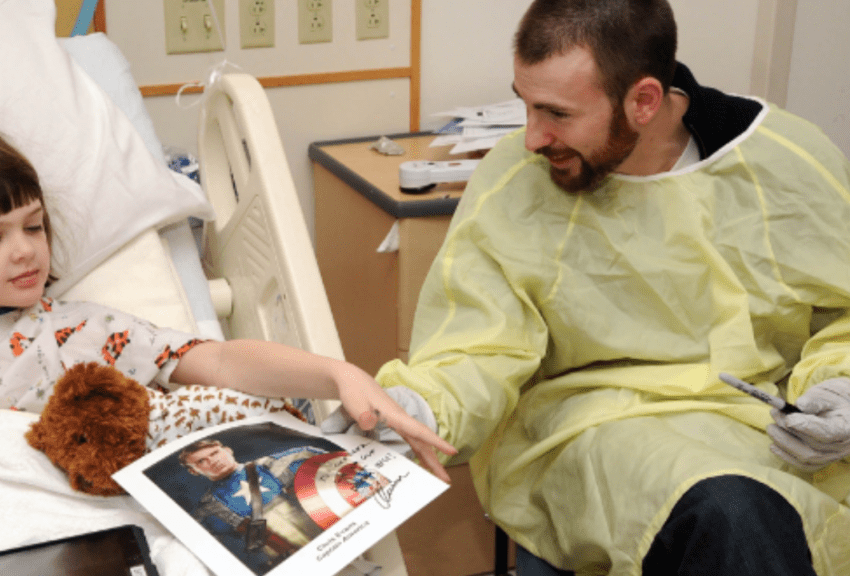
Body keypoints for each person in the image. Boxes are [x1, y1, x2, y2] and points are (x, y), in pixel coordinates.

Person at [0, 110, 455, 576]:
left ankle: (352, 440)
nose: (24, 251)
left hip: (114, 541)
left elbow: (222, 361)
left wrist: (336, 375)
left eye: (34, 226)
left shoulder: (83, 329)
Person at [344, 0, 850, 574]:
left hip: (761, 425)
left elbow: (840, 313)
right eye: (525, 104)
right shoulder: (518, 183)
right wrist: (418, 408)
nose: (532, 137)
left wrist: (839, 389)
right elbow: (479, 348)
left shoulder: (781, 162)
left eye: (556, 113)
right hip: (591, 424)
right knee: (731, 514)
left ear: (644, 100)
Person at [180, 438, 326, 573]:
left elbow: (329, 462)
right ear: (193, 471)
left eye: (215, 453)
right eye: (201, 461)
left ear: (228, 450)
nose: (213, 461)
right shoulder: (208, 509)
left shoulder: (272, 465)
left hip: (327, 536)